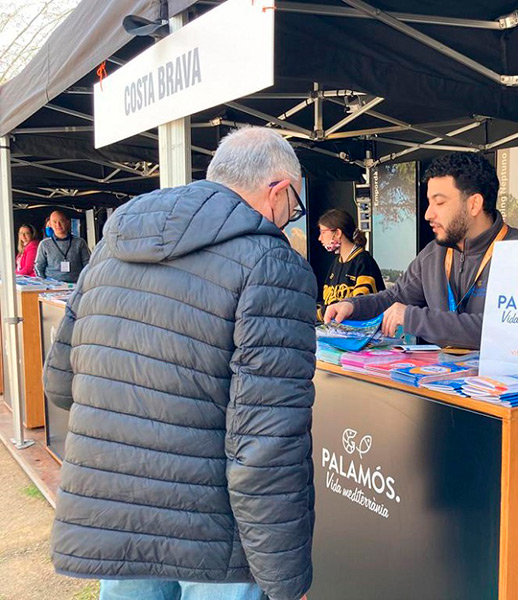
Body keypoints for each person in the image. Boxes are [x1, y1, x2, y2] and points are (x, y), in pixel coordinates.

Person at [43, 127, 315, 600]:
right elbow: (267, 445)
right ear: (278, 190)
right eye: (294, 207)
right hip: (213, 534)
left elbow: (59, 382)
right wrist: (284, 576)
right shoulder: (272, 263)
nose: (291, 220)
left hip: (116, 510)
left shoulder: (111, 247)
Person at [324, 152, 518, 349]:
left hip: (511, 383)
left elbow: (505, 331)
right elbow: (394, 297)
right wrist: (352, 306)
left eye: (439, 202)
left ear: (474, 204)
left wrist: (414, 318)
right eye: (429, 203)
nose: (428, 214)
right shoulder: (433, 254)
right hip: (443, 380)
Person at [317, 208, 385, 320]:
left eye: (323, 232)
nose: (320, 238)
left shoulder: (363, 261)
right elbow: (328, 304)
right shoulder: (335, 264)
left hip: (361, 334)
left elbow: (360, 303)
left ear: (338, 233)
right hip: (339, 333)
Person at [34, 210, 90, 282]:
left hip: (76, 285)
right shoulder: (44, 244)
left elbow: (87, 264)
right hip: (51, 286)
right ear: (50, 224)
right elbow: (39, 266)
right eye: (54, 222)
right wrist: (44, 283)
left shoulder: (80, 242)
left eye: (61, 221)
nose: (58, 225)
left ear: (67, 222)